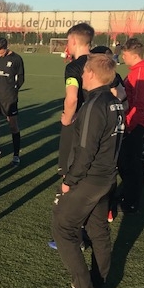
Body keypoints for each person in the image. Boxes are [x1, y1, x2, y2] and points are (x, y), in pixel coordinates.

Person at [51, 54, 124, 288]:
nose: (81, 75)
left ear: (91, 74)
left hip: (90, 178)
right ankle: (98, 285)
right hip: (106, 177)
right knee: (97, 230)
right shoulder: (115, 102)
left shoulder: (94, 104)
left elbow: (85, 150)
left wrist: (69, 181)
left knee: (62, 227)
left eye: (84, 71)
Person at [118, 37, 144, 214]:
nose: (122, 57)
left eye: (124, 55)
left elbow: (138, 104)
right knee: (126, 162)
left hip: (135, 123)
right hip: (135, 122)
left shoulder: (141, 73)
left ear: (133, 55)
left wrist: (129, 124)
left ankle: (131, 202)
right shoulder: (137, 71)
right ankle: (129, 196)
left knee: (130, 164)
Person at [0, 37, 25, 166]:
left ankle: (16, 155)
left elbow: (21, 79)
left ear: (6, 47)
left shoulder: (16, 59)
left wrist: (13, 90)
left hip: (9, 98)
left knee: (13, 125)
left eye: (1, 51)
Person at [58, 23, 93, 174]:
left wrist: (67, 118)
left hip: (78, 121)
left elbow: (72, 98)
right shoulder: (102, 63)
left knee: (69, 168)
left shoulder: (73, 67)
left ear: (73, 41)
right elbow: (119, 93)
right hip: (100, 120)